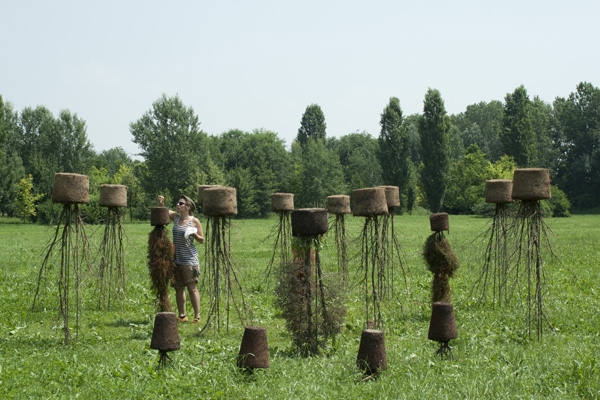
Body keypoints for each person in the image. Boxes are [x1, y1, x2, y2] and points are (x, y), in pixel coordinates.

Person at [157, 194, 204, 323]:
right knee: (178, 288)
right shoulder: (176, 218)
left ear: (188, 207)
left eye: (181, 203)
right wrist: (161, 203)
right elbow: (165, 211)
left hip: (189, 260)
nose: (178, 205)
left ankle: (197, 316)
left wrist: (194, 234)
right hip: (176, 259)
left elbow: (202, 240)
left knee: (192, 288)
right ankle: (182, 316)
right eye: (178, 203)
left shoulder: (194, 221)